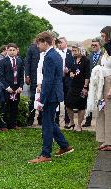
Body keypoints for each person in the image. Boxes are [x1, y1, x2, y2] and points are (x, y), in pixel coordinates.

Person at [29, 32, 74, 164]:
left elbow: (48, 81)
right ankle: (64, 146)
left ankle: (45, 154)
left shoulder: (49, 57)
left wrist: (41, 100)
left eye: (38, 43)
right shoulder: (56, 54)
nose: (37, 46)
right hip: (55, 94)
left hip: (50, 95)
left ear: (45, 42)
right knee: (50, 122)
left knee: (47, 125)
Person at [88, 26, 111, 151]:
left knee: (109, 113)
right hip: (102, 83)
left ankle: (110, 141)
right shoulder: (105, 50)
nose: (102, 38)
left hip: (109, 82)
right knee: (101, 111)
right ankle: (103, 139)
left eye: (103, 36)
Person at [0, 43, 24, 130]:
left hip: (16, 88)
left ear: (17, 51)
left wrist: (21, 86)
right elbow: (0, 77)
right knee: (4, 106)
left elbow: (21, 76)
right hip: (6, 88)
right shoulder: (2, 62)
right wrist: (6, 87)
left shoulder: (20, 61)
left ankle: (13, 124)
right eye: (10, 50)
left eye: (14, 50)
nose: (12, 52)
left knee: (14, 107)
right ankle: (3, 125)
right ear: (7, 50)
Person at [65, 44, 90, 132]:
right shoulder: (74, 60)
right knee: (68, 104)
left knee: (81, 106)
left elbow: (87, 75)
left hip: (82, 86)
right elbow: (72, 70)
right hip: (73, 86)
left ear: (80, 50)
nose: (73, 52)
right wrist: (69, 73)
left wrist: (85, 87)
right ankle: (72, 122)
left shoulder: (86, 60)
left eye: (75, 50)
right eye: (73, 50)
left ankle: (79, 125)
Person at [82, 39, 103, 127]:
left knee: (101, 100)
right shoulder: (89, 57)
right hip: (90, 82)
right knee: (89, 101)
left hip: (101, 82)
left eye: (95, 45)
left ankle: (101, 120)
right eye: (92, 45)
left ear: (100, 46)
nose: (93, 46)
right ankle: (88, 120)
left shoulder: (104, 56)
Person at [57, 37, 74, 128]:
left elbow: (74, 65)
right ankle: (56, 120)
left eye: (61, 42)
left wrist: (69, 69)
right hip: (58, 79)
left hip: (68, 79)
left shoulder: (70, 53)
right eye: (58, 43)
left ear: (66, 43)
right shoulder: (55, 52)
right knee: (57, 99)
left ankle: (68, 121)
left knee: (68, 100)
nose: (59, 44)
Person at [25, 43, 42, 126]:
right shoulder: (32, 48)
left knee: (42, 98)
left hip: (43, 78)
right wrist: (27, 75)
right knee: (32, 98)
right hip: (33, 77)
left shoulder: (47, 49)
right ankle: (30, 119)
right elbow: (27, 62)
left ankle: (41, 119)